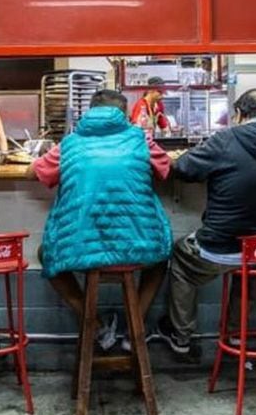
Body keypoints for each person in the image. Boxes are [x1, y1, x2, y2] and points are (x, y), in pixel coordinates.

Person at [152, 89, 256, 361]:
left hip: (222, 246)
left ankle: (181, 338)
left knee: (181, 257)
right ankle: (235, 333)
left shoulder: (226, 139)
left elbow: (183, 169)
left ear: (240, 115)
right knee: (249, 261)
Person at [33, 89, 172, 351]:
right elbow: (166, 168)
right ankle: (134, 329)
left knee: (47, 254)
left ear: (90, 112)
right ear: (123, 114)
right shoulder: (141, 139)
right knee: (161, 256)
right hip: (139, 246)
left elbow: (35, 172)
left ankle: (95, 327)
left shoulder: (70, 143)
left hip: (77, 248)